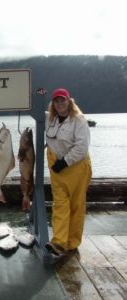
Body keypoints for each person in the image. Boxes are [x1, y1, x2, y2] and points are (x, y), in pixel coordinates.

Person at [45, 88, 92, 256]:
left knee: (76, 205)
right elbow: (32, 109)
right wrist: (38, 92)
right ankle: (59, 242)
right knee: (60, 204)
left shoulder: (79, 120)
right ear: (53, 104)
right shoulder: (50, 119)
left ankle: (72, 242)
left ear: (69, 101)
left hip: (76, 167)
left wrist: (65, 162)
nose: (60, 104)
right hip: (57, 169)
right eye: (56, 101)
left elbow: (82, 147)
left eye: (62, 100)